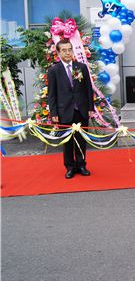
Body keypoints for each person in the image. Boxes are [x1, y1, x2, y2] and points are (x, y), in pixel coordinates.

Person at [47, 39, 94, 179]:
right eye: (64, 50)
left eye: (69, 49)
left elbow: (88, 89)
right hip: (64, 111)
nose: (68, 53)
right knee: (67, 141)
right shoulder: (54, 70)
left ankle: (81, 165)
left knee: (81, 139)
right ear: (58, 52)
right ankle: (70, 167)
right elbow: (52, 94)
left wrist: (90, 108)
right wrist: (54, 113)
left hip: (81, 109)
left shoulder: (81, 67)